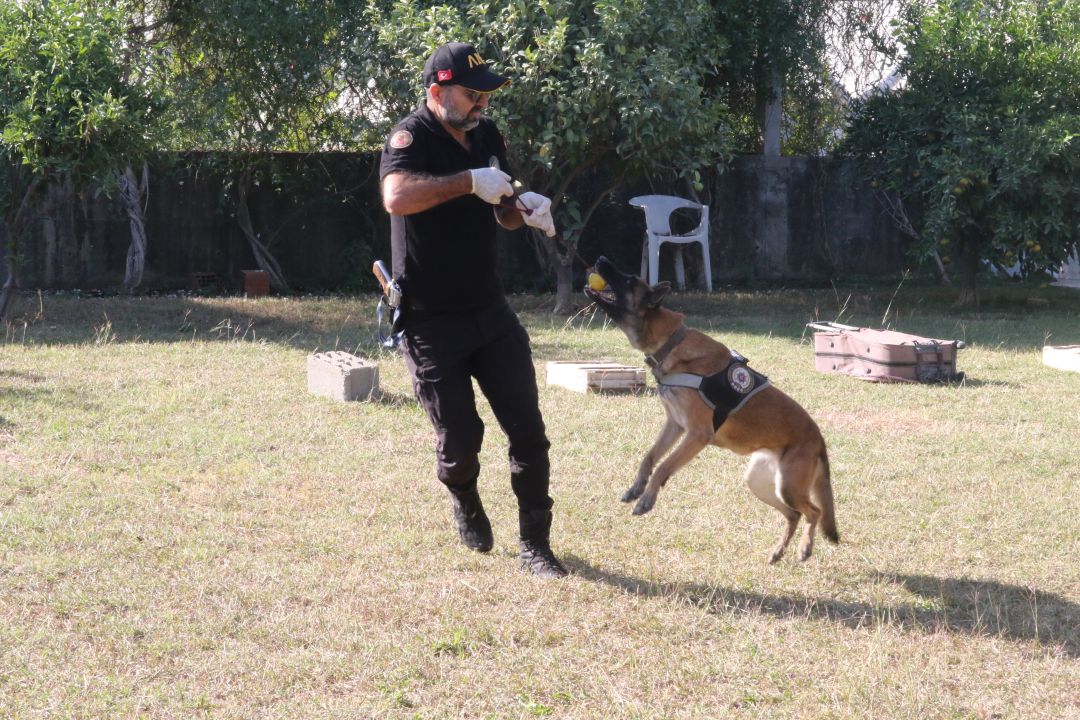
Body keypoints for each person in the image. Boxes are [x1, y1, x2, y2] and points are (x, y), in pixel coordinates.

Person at [379, 41, 568, 578]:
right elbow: (395, 197)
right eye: (472, 94)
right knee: (460, 440)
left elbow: (501, 208)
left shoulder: (487, 136)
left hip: (489, 309)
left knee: (528, 432)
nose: (482, 104)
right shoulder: (410, 136)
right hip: (430, 317)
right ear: (438, 92)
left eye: (487, 95)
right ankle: (463, 495)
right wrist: (466, 182)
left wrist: (524, 209)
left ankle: (536, 545)